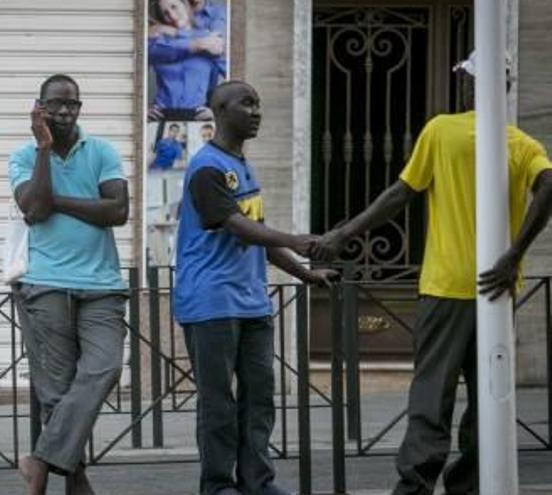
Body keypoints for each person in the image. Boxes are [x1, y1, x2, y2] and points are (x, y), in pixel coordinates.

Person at [310, 51, 552, 495]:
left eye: (462, 78)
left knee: (431, 396)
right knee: (489, 399)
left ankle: (416, 487)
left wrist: (344, 233)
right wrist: (513, 256)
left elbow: (400, 194)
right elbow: (548, 186)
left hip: (445, 287)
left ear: (470, 86)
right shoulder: (520, 143)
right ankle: (471, 484)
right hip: (497, 290)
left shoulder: (442, 130)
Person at [175, 80, 337, 495]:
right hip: (211, 302)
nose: (257, 111)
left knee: (259, 401)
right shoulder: (206, 168)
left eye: (259, 104)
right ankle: (217, 486)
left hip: (252, 303)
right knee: (219, 405)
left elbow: (256, 235)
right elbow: (235, 224)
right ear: (220, 110)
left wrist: (305, 272)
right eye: (247, 104)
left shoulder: (242, 166)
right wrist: (297, 239)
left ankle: (257, 483)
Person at [8, 74, 129, 495]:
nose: (64, 112)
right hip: (45, 285)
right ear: (38, 107)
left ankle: (39, 461)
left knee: (105, 367)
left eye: (72, 105)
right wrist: (43, 148)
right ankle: (75, 478)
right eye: (55, 105)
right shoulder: (23, 156)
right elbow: (35, 208)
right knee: (55, 392)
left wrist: (56, 201)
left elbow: (118, 211)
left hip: (102, 285)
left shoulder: (101, 151)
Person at [148, 0, 226, 121]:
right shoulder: (158, 42)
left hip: (198, 117)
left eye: (174, 7)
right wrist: (143, 108)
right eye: (165, 13)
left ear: (185, 5)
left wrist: (220, 111)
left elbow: (233, 72)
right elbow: (138, 66)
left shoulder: (210, 40)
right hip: (162, 116)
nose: (172, 16)